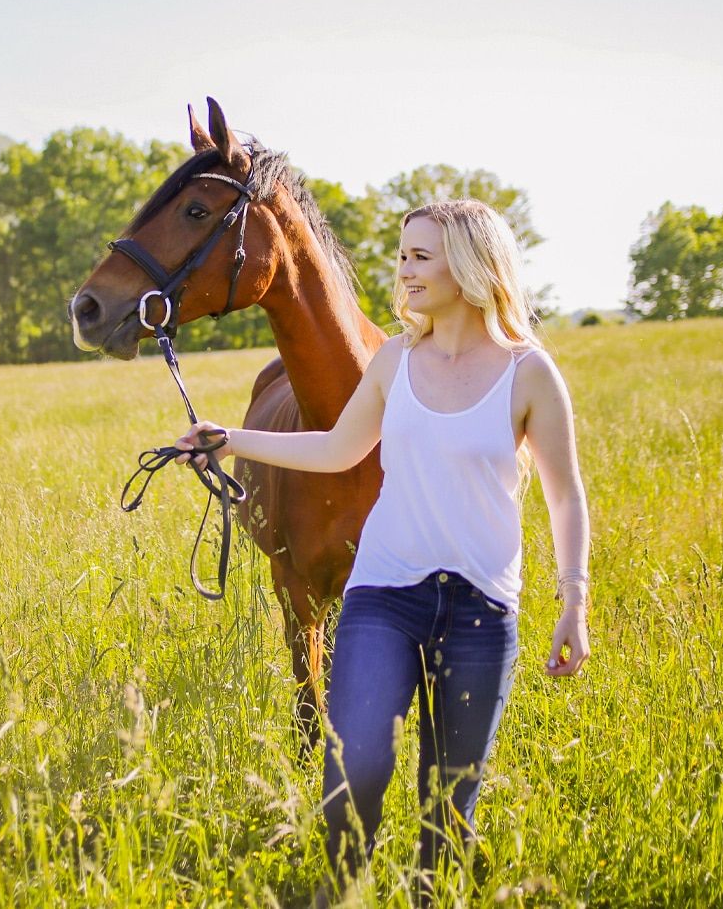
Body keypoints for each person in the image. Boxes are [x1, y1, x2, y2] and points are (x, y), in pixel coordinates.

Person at [173, 199, 591, 894]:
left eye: (421, 256)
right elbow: (340, 447)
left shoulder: (529, 372)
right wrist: (229, 439)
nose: (404, 269)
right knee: (353, 773)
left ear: (472, 265)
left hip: (482, 610)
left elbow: (566, 494)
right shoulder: (396, 361)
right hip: (383, 596)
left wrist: (573, 600)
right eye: (403, 255)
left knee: (450, 803)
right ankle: (344, 894)